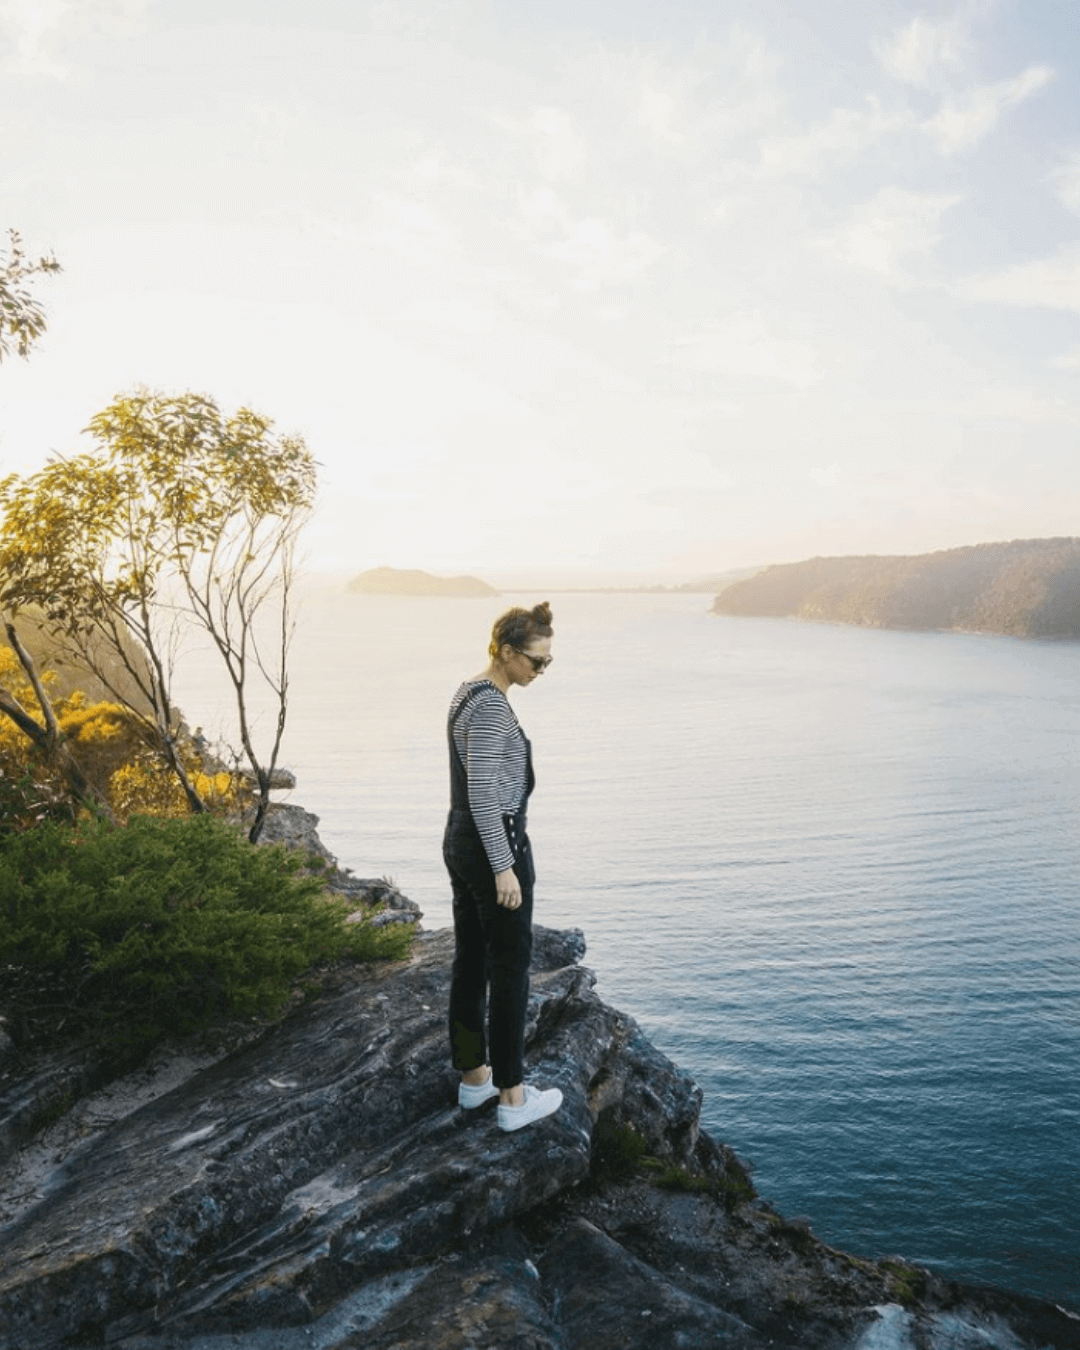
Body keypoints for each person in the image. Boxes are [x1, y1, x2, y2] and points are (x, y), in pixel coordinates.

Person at [443, 601, 563, 1132]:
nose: (542, 672)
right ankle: (514, 1100)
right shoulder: (491, 707)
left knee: (470, 962)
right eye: (537, 662)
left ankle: (476, 1082)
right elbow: (485, 794)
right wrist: (505, 866)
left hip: (459, 840)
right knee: (511, 968)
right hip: (494, 843)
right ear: (508, 653)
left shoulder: (466, 690)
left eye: (548, 662)